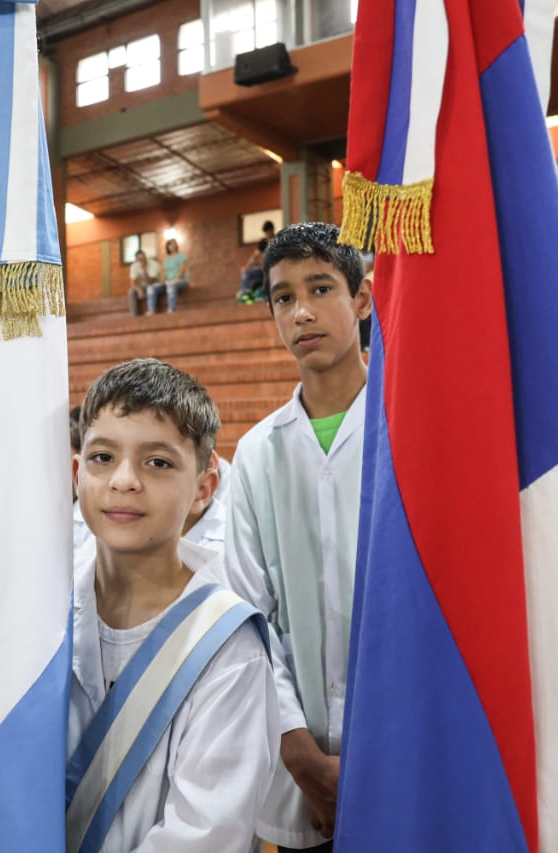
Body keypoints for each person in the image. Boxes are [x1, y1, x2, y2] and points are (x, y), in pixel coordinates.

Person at [68, 358, 278, 852]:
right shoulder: (41, 613)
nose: (123, 480)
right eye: (102, 458)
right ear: (77, 473)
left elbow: (207, 833)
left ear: (204, 489)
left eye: (157, 462)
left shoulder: (228, 647)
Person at [224, 222, 372, 851]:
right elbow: (247, 617)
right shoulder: (257, 452)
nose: (302, 311)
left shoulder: (412, 428)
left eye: (321, 287)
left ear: (362, 299)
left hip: (407, 745)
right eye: (283, 297)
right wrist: (301, 753)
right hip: (297, 770)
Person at [237, 220, 277, 304]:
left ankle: (267, 294)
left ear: (272, 230)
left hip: (275, 269)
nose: (267, 235)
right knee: (248, 274)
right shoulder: (264, 242)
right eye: (266, 233)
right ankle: (245, 293)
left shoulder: (278, 240)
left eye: (268, 232)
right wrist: (246, 267)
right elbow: (254, 256)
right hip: (264, 269)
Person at [147, 238, 189, 314]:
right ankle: (151, 309)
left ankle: (171, 309)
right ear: (168, 247)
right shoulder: (166, 259)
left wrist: (174, 280)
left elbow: (182, 271)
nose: (172, 246)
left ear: (176, 245)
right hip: (168, 282)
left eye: (174, 244)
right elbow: (164, 273)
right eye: (170, 244)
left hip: (181, 281)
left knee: (171, 286)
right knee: (151, 288)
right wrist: (162, 281)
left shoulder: (181, 256)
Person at [127, 249, 161, 317]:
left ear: (146, 256)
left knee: (150, 288)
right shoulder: (134, 266)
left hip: (156, 284)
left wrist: (144, 270)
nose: (142, 260)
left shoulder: (154, 264)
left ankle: (152, 310)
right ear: (137, 259)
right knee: (131, 292)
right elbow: (133, 282)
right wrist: (139, 290)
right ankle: (135, 315)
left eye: (143, 257)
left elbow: (151, 282)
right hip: (144, 286)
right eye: (140, 259)